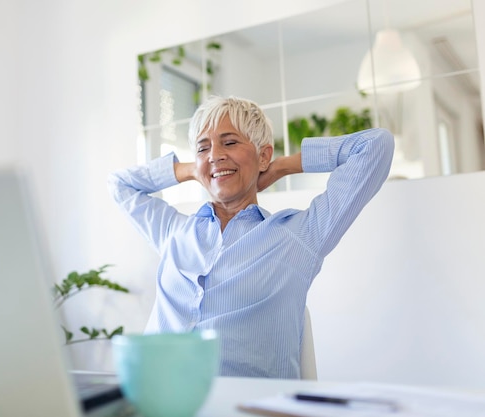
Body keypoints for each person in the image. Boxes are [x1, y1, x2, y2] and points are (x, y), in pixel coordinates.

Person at [108, 95, 394, 378]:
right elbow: (119, 184)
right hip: (155, 397)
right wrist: (192, 169)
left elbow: (375, 146)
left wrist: (282, 166)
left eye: (230, 142)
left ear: (263, 155)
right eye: (203, 147)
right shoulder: (174, 232)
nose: (215, 154)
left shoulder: (299, 236)